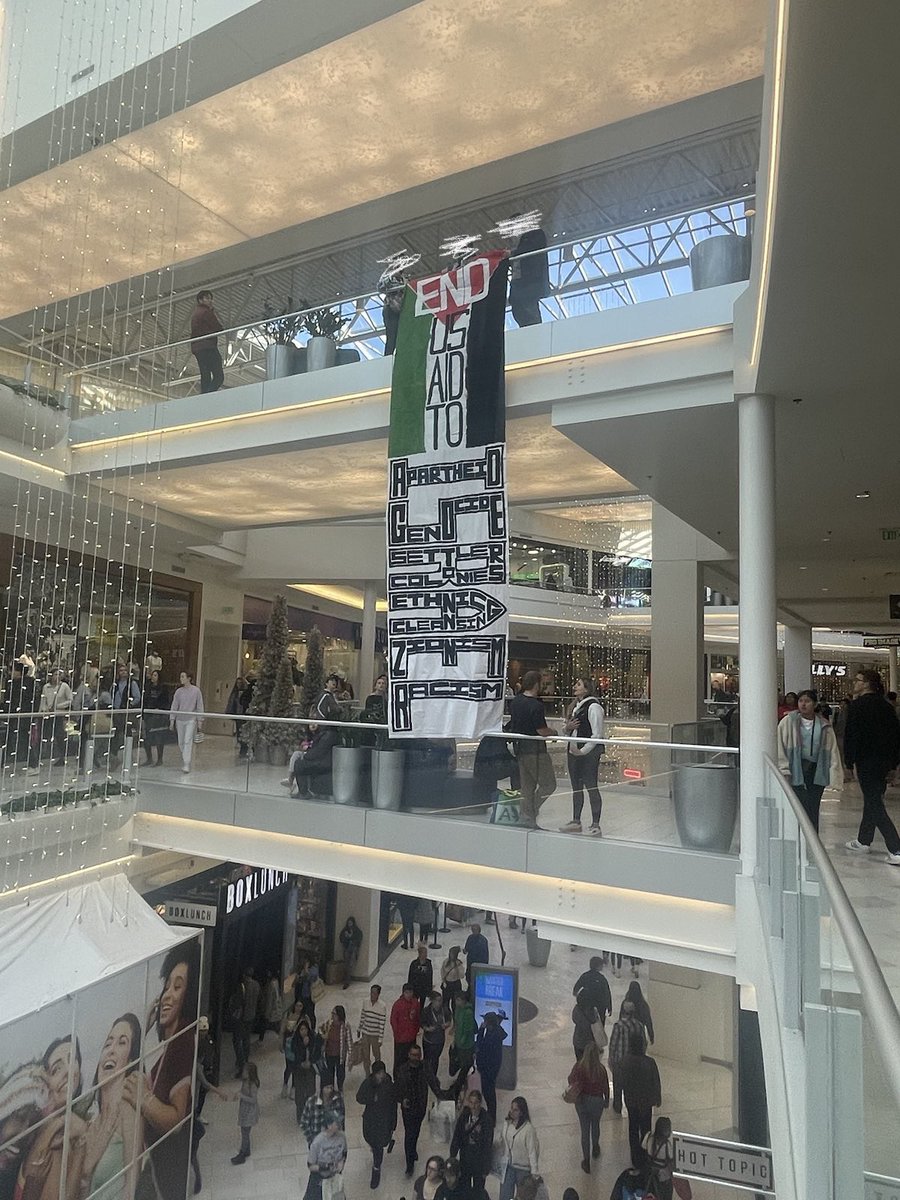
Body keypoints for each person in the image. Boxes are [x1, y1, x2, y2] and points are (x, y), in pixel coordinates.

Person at [128, 940, 201, 1200]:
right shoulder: (167, 1048)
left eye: (178, 987)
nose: (167, 995)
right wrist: (145, 1029)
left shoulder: (182, 1042)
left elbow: (177, 1119)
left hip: (164, 1177)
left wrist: (145, 1100)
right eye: (166, 986)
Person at [81, 1014, 142, 1200]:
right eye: (107, 1044)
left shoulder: (128, 1110)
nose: (111, 1051)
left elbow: (132, 1188)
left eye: (122, 1043)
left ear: (130, 1061)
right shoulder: (91, 1125)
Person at [843, 668, 900, 863]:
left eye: (858, 680)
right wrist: (894, 764)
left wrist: (848, 762)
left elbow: (851, 736)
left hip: (866, 760)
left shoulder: (857, 706)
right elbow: (895, 737)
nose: (855, 684)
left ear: (867, 683)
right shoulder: (887, 707)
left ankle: (895, 848)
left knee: (874, 802)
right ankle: (863, 840)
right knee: (873, 798)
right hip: (883, 761)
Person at [777, 688, 844, 831]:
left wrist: (835, 775)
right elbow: (780, 746)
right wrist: (784, 769)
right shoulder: (788, 722)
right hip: (796, 769)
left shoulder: (824, 725)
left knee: (813, 806)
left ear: (814, 704)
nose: (803, 704)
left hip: (817, 770)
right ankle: (797, 836)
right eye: (801, 701)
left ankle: (813, 840)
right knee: (798, 806)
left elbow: (832, 750)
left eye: (807, 701)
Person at [507, 671, 556, 828]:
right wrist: (554, 732)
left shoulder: (516, 702)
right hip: (535, 750)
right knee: (548, 784)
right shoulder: (536, 706)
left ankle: (526, 817)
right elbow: (541, 731)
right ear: (536, 684)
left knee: (527, 786)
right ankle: (531, 811)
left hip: (520, 748)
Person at [559, 678, 605, 834]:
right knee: (576, 787)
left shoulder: (594, 707)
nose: (575, 687)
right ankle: (576, 820)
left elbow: (597, 734)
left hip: (588, 754)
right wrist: (567, 728)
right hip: (574, 751)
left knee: (591, 786)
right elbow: (568, 729)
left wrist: (583, 751)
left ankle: (595, 823)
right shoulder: (575, 707)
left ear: (586, 689)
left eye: (578, 685)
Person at [395, 1044, 443, 1178]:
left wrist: (441, 1095)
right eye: (413, 1055)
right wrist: (402, 1099)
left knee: (416, 1131)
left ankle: (413, 1149)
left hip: (420, 1106)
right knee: (409, 1134)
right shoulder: (402, 1070)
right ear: (409, 1055)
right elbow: (397, 1089)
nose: (415, 1057)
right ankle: (409, 1165)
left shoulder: (425, 1067)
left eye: (417, 1055)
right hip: (408, 1108)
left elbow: (433, 1082)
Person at [567, 1041, 609, 1174]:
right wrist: (606, 1101)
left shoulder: (579, 1067)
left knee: (584, 1131)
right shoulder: (601, 1069)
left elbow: (570, 1079)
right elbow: (606, 1087)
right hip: (597, 1102)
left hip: (582, 1101)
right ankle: (595, 1146)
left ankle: (586, 1161)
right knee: (595, 1124)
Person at [619, 1036, 661, 1167]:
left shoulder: (625, 1062)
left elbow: (620, 1081)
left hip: (631, 1100)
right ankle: (646, 1154)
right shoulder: (650, 1062)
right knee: (646, 1128)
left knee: (633, 1127)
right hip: (646, 1102)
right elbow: (656, 1082)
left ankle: (634, 1155)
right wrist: (657, 1097)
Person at [355, 1061, 397, 1189]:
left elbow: (393, 1104)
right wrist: (372, 1098)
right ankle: (385, 1144)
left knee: (378, 1146)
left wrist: (393, 1123)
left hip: (384, 1121)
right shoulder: (368, 1083)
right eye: (378, 1073)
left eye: (382, 1073)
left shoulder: (389, 1084)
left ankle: (376, 1169)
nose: (381, 1076)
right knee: (371, 1140)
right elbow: (359, 1098)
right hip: (371, 1120)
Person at [449, 1090, 493, 1195]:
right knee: (464, 1187)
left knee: (478, 1191)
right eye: (471, 1102)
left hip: (479, 1161)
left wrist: (486, 1168)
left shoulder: (486, 1120)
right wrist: (453, 1155)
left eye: (476, 1103)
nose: (473, 1106)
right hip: (465, 1158)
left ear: (480, 1103)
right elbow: (457, 1136)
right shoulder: (464, 1116)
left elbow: (488, 1145)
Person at [508, 222, 550, 328]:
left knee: (529, 311)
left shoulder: (535, 234)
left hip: (529, 285)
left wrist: (513, 253)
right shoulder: (520, 242)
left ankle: (533, 331)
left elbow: (532, 249)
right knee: (519, 311)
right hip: (519, 286)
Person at [608, 1000, 646, 1114]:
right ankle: (631, 1106)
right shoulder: (639, 1025)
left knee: (618, 1085)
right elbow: (644, 1042)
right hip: (635, 1062)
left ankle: (617, 1106)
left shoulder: (619, 1025)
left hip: (620, 1061)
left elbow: (613, 1044)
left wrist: (611, 1058)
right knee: (631, 1085)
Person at [499, 1097, 540, 1200]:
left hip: (523, 1169)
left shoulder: (528, 1129)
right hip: (508, 1166)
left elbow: (532, 1152)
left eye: (515, 1110)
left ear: (521, 1112)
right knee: (505, 1196)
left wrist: (534, 1173)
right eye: (511, 1108)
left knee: (523, 1196)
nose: (512, 1112)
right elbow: (502, 1140)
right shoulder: (507, 1124)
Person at [293, 713, 339, 797]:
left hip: (324, 763)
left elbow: (318, 752)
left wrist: (306, 756)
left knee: (299, 764)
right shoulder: (326, 733)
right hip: (324, 760)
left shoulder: (327, 735)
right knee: (299, 760)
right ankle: (303, 791)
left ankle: (304, 792)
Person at [305, 1110, 347, 1200]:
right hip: (319, 1179)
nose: (339, 1124)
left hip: (335, 1178)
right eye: (337, 1123)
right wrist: (326, 1167)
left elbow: (344, 1153)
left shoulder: (342, 1137)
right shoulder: (317, 1142)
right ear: (329, 1126)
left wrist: (342, 1162)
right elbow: (310, 1166)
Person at [474, 1011, 507, 1124]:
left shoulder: (492, 1036)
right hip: (492, 1066)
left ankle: (491, 1117)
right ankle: (491, 1115)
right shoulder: (496, 1032)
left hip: (488, 1067)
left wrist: (481, 1030)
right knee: (489, 1091)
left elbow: (480, 1044)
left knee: (488, 1092)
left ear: (489, 1023)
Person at [190, 290, 225, 393]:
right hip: (208, 345)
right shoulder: (206, 312)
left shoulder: (196, 313)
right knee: (218, 376)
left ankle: (204, 395)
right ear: (201, 300)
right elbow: (217, 327)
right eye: (207, 298)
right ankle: (209, 394)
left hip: (197, 347)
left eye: (210, 298)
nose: (210, 301)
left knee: (205, 374)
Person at [169, 671, 204, 774]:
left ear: (189, 678)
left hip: (191, 719)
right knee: (181, 742)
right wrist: (172, 720)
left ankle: (186, 763)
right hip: (180, 719)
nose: (181, 678)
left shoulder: (196, 691)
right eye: (180, 676)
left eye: (183, 676)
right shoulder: (178, 692)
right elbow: (174, 706)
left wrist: (200, 720)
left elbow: (199, 706)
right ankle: (185, 759)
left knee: (187, 741)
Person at [38, 668, 72, 765]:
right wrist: (42, 711)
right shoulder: (46, 687)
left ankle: (62, 757)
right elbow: (43, 700)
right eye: (55, 674)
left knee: (59, 735)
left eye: (59, 674)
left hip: (59, 714)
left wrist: (59, 706)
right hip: (48, 714)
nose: (57, 677)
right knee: (45, 735)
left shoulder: (64, 686)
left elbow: (70, 700)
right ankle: (43, 755)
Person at [291, 1019, 323, 1124]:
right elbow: (295, 1053)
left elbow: (317, 1053)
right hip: (299, 1070)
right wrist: (303, 1046)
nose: (303, 1032)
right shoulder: (295, 1041)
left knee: (310, 1092)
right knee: (300, 1094)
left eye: (305, 1029)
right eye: (301, 1029)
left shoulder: (313, 1039)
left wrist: (311, 1061)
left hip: (310, 1070)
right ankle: (300, 1116)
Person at [230, 967, 260, 1077]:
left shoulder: (242, 986)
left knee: (237, 1040)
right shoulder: (256, 985)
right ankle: (245, 1061)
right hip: (251, 1015)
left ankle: (241, 1063)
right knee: (246, 1039)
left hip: (241, 1017)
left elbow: (238, 1001)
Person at [110, 664, 140, 767]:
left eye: (125, 671)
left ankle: (129, 756)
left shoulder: (132, 684)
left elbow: (137, 697)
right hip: (116, 712)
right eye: (121, 671)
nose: (123, 672)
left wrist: (130, 704)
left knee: (127, 734)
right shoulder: (116, 684)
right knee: (116, 734)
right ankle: (114, 757)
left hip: (126, 713)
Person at [231, 1062, 260, 1165]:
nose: (243, 1073)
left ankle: (243, 1153)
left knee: (245, 1133)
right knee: (244, 1132)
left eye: (245, 1071)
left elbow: (253, 1100)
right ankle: (246, 1150)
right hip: (244, 1110)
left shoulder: (253, 1084)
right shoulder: (245, 1082)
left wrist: (241, 1096)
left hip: (249, 1112)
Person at [390, 984, 421, 1074]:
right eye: (407, 993)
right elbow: (393, 1020)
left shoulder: (416, 1003)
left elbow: (418, 1017)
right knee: (399, 1060)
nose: (409, 995)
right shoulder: (397, 1004)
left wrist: (416, 1030)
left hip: (411, 1037)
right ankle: (398, 1079)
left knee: (411, 1059)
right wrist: (397, 1033)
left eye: (410, 992)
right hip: (400, 1039)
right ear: (403, 993)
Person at [641, 1116, 675, 1200]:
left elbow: (643, 1147)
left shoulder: (649, 1136)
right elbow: (672, 1159)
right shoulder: (668, 1144)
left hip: (650, 1174)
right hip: (664, 1177)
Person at [141, 670, 170, 766]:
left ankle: (159, 759)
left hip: (159, 715)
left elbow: (166, 701)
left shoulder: (163, 688)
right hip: (148, 715)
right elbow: (145, 700)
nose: (153, 677)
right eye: (152, 675)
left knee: (158, 737)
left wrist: (161, 709)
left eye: (155, 675)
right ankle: (149, 758)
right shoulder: (148, 687)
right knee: (147, 737)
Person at [572, 957, 612, 1027]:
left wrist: (577, 995)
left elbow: (576, 988)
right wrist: (609, 1007)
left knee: (584, 1024)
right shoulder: (602, 979)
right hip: (599, 1006)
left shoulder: (585, 975)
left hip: (585, 1006)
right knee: (597, 1027)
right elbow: (607, 993)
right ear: (598, 966)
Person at [320, 1005, 352, 1093]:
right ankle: (332, 1089)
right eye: (332, 1013)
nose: (332, 1015)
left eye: (334, 1014)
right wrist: (323, 1036)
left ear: (339, 1015)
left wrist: (350, 1056)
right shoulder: (328, 1024)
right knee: (330, 1073)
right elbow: (320, 1030)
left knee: (340, 1073)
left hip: (340, 1055)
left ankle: (340, 1087)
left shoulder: (345, 1026)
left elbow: (349, 1041)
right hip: (329, 1054)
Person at [358, 984, 387, 1075]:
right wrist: (359, 1028)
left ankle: (377, 1072)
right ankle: (367, 1074)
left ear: (378, 994)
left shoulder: (382, 1006)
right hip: (365, 1033)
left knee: (377, 1055)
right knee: (366, 1056)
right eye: (371, 992)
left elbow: (382, 1023)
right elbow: (363, 1015)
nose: (372, 995)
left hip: (375, 1035)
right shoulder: (365, 1001)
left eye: (374, 993)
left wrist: (380, 1038)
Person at [420, 991, 452, 1077]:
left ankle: (433, 1076)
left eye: (440, 1000)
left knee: (435, 1059)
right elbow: (422, 1023)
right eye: (437, 1000)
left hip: (439, 1040)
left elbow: (449, 1019)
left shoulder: (444, 1009)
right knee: (427, 1059)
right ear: (432, 1001)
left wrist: (447, 1024)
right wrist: (427, 1028)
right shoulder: (426, 1011)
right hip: (428, 1040)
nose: (439, 1002)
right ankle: (425, 1075)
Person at [451, 991, 476, 1081]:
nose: (456, 1002)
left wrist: (461, 1041)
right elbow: (457, 1024)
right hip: (459, 1040)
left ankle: (464, 1078)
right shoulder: (458, 1009)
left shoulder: (468, 1012)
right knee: (461, 1061)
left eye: (458, 1000)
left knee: (465, 1062)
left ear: (463, 1000)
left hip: (466, 1044)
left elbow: (467, 1030)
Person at [571, 992, 601, 1061]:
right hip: (590, 1040)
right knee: (590, 1062)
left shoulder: (576, 1009)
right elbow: (595, 1021)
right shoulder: (592, 1010)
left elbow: (574, 1019)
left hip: (578, 1039)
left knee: (579, 1061)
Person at [339, 917, 363, 988]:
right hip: (347, 949)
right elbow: (341, 938)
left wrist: (351, 937)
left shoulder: (356, 931)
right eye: (348, 923)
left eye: (351, 923)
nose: (349, 924)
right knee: (347, 965)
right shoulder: (345, 930)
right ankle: (347, 980)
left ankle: (347, 980)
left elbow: (358, 938)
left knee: (350, 965)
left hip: (353, 950)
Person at [259, 969, 282, 1040]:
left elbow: (270, 998)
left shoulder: (271, 984)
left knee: (266, 1023)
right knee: (275, 1023)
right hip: (276, 1006)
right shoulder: (276, 982)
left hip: (271, 1007)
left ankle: (261, 1038)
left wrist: (267, 1012)